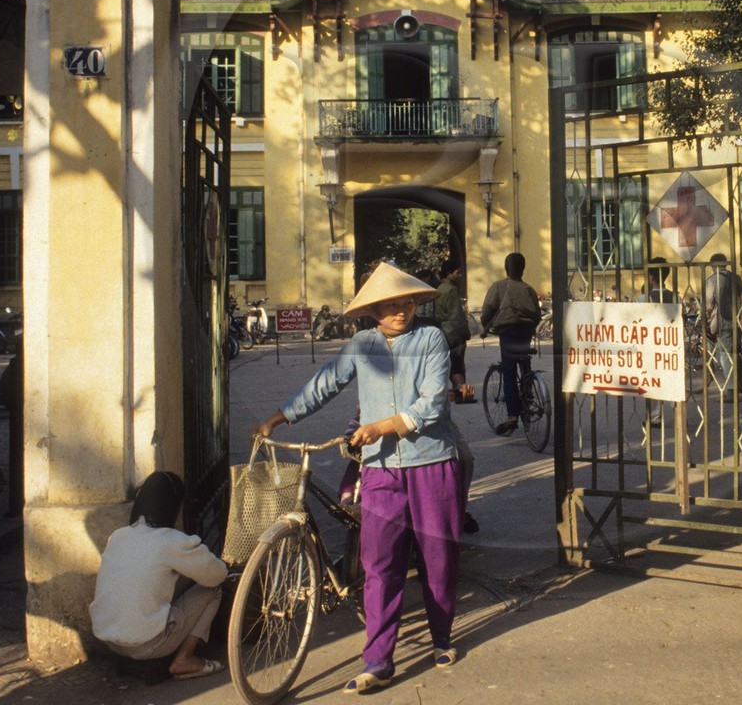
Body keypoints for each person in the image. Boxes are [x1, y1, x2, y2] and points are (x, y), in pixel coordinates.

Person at [253, 262, 462, 694]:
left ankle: (441, 636)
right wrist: (279, 418)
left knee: (437, 559)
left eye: (406, 302)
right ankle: (378, 661)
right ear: (373, 311)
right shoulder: (361, 345)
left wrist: (381, 427)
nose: (400, 311)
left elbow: (433, 401)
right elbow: (324, 384)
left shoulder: (431, 339)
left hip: (431, 462)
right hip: (381, 469)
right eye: (390, 305)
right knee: (379, 564)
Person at [88, 471, 227, 680]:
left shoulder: (118, 536)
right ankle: (185, 659)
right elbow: (217, 576)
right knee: (213, 590)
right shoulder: (172, 541)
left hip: (110, 641)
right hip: (150, 645)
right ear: (173, 506)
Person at [478, 252, 543, 436]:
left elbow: (487, 311)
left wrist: (487, 326)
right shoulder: (528, 289)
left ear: (506, 268)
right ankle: (528, 397)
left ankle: (512, 415)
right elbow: (537, 315)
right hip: (526, 332)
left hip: (507, 332)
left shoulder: (498, 286)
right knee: (525, 363)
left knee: (508, 370)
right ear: (523, 269)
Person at [701, 253, 742, 390]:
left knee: (725, 356)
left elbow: (708, 304)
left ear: (713, 266)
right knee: (735, 353)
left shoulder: (712, 280)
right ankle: (739, 385)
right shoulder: (737, 278)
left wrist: (705, 315)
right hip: (738, 321)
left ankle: (731, 390)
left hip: (722, 323)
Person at [433, 256, 473, 401]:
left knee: (450, 362)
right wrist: (466, 332)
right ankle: (463, 391)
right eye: (458, 273)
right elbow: (457, 315)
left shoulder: (439, 289)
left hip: (443, 329)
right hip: (454, 331)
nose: (460, 275)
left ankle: (456, 391)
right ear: (449, 274)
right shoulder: (451, 290)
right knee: (457, 363)